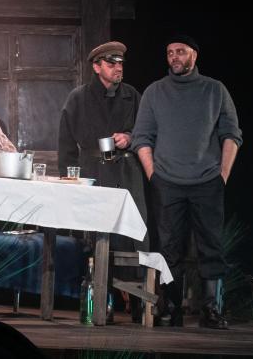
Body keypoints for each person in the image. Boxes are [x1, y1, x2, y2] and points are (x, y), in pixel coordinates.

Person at [132, 34, 242, 329]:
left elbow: (231, 134)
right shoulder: (155, 92)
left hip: (207, 180)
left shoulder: (214, 90)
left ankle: (211, 309)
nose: (174, 57)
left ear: (194, 55)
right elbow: (142, 137)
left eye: (180, 51)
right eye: (170, 52)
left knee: (211, 245)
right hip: (167, 181)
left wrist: (222, 175)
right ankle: (171, 307)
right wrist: (153, 174)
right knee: (169, 247)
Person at [57, 41, 149, 323]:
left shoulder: (132, 96)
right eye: (111, 63)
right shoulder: (78, 98)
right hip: (93, 174)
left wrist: (130, 138)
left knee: (132, 236)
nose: (118, 68)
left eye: (120, 63)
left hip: (126, 174)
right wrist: (69, 179)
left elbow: (148, 131)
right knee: (94, 239)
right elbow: (66, 144)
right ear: (97, 67)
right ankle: (99, 301)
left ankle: (138, 301)